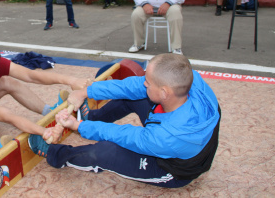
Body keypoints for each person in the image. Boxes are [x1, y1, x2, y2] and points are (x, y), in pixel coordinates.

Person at [28, 53, 221, 188]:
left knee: (106, 152)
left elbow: (124, 135)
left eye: (149, 81)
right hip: (169, 129)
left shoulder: (166, 137)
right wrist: (86, 92)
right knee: (136, 94)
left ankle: (55, 153)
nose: (144, 82)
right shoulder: (190, 80)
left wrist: (80, 126)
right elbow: (133, 86)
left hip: (171, 168)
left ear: (164, 92)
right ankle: (91, 115)